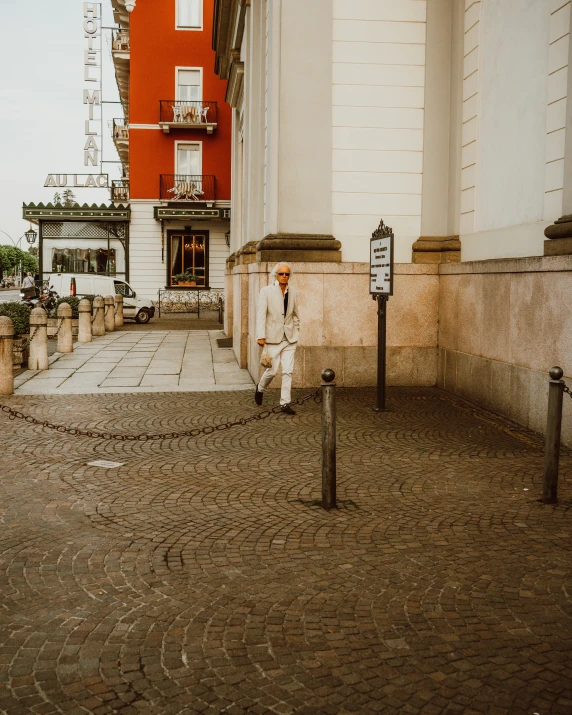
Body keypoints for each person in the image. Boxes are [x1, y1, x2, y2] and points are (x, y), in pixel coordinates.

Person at [255, 262, 300, 415]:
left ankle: (285, 403)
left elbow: (295, 314)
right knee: (272, 371)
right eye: (281, 273)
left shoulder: (293, 292)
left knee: (288, 371)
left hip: (289, 338)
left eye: (287, 274)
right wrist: (260, 336)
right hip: (273, 338)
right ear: (275, 275)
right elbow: (261, 315)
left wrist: (296, 329)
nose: (284, 276)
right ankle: (260, 388)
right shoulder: (266, 291)